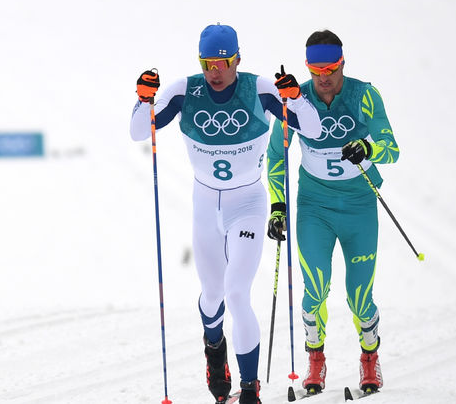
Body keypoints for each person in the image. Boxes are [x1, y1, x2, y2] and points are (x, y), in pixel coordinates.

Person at [131, 23, 322, 404]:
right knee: (212, 295)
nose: (213, 72)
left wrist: (297, 99)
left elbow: (313, 130)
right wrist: (143, 99)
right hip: (206, 206)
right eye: (207, 64)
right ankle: (214, 349)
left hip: (247, 204)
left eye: (221, 63)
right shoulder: (185, 91)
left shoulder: (259, 89)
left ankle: (250, 387)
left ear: (237, 59)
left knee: (236, 293)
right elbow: (139, 131)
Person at [264, 29, 400, 395]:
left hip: (358, 206)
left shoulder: (364, 95)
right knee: (315, 289)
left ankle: (369, 358)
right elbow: (276, 155)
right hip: (315, 207)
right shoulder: (296, 101)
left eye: (331, 69)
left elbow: (391, 147)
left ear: (342, 63)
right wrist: (278, 206)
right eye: (315, 70)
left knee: (359, 296)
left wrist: (368, 149)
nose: (323, 78)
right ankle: (315, 360)